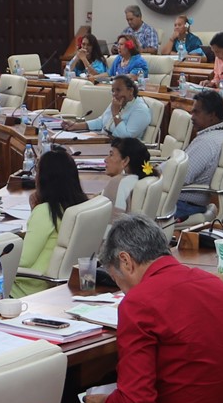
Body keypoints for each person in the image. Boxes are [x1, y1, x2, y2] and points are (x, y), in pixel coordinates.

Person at [55, 215, 223, 403]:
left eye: (118, 280)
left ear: (126, 261)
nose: (123, 289)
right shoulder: (214, 284)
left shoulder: (139, 303)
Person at [12, 147, 88, 296]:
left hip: (27, 289)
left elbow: (22, 261)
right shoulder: (80, 206)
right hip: (60, 286)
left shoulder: (45, 212)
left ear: (44, 179)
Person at [170, 90, 223, 220]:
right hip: (187, 203)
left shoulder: (207, 143)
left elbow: (180, 176)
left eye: (196, 112)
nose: (191, 116)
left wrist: (155, 172)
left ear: (212, 115)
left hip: (182, 206)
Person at [68, 74, 150, 139]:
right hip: (103, 139)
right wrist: (76, 126)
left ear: (131, 91)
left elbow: (126, 137)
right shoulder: (117, 103)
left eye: (118, 90)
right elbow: (101, 122)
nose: (114, 94)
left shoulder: (141, 109)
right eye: (113, 91)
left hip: (123, 150)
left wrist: (115, 114)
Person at [102, 136, 154, 215]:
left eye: (111, 155)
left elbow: (112, 223)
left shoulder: (119, 183)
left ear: (125, 161)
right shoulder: (142, 178)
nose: (105, 159)